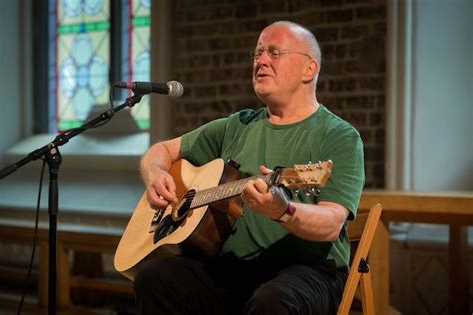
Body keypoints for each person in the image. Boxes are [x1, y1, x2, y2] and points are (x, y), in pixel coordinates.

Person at [134, 20, 365, 315]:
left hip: (308, 273)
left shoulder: (339, 136)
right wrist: (155, 173)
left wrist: (284, 211)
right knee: (154, 278)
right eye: (257, 54)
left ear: (309, 69)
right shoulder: (238, 125)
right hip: (232, 269)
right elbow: (161, 150)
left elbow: (332, 221)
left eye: (274, 53)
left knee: (272, 301)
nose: (261, 61)